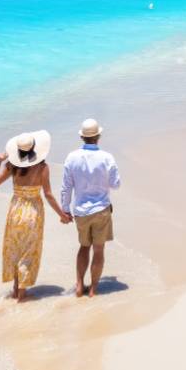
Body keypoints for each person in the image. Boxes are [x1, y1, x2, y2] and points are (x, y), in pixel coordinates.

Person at [0, 130, 71, 302]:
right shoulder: (42, 167)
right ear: (35, 149)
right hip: (33, 211)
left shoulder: (12, 166)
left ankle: (15, 290)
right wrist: (62, 215)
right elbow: (48, 194)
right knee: (29, 251)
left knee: (15, 248)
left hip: (15, 210)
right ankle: (22, 294)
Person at [61, 118, 122, 298]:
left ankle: (79, 285)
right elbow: (116, 184)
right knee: (99, 249)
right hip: (101, 209)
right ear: (98, 136)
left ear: (82, 137)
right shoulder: (107, 157)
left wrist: (65, 209)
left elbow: (66, 186)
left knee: (83, 247)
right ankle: (94, 289)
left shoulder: (71, 157)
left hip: (80, 211)